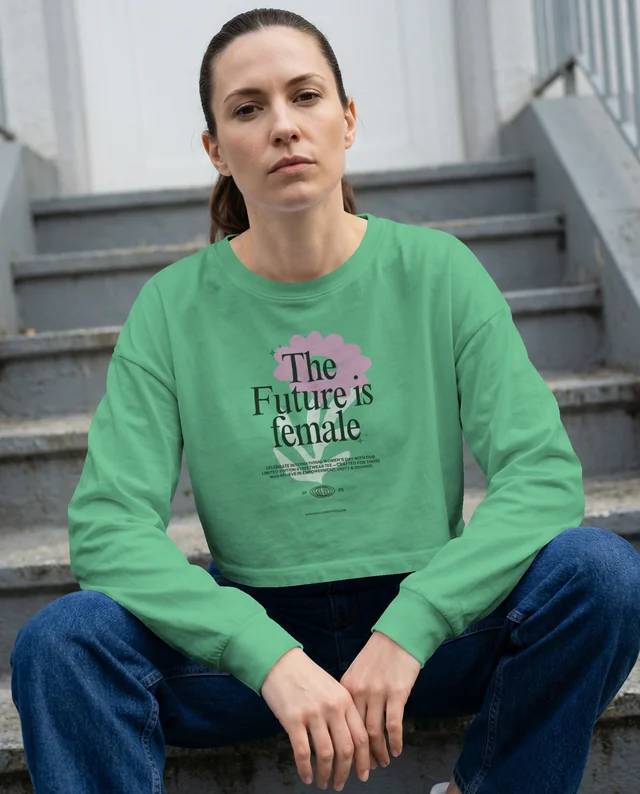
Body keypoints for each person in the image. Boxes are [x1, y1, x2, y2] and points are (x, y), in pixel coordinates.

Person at [10, 7, 640, 794]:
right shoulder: (172, 308)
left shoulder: (437, 273)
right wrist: (265, 655)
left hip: (428, 631)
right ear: (216, 150)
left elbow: (542, 476)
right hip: (252, 642)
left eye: (305, 96)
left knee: (601, 576)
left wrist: (412, 626)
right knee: (62, 642)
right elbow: (107, 529)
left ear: (347, 120)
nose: (283, 127)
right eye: (248, 108)